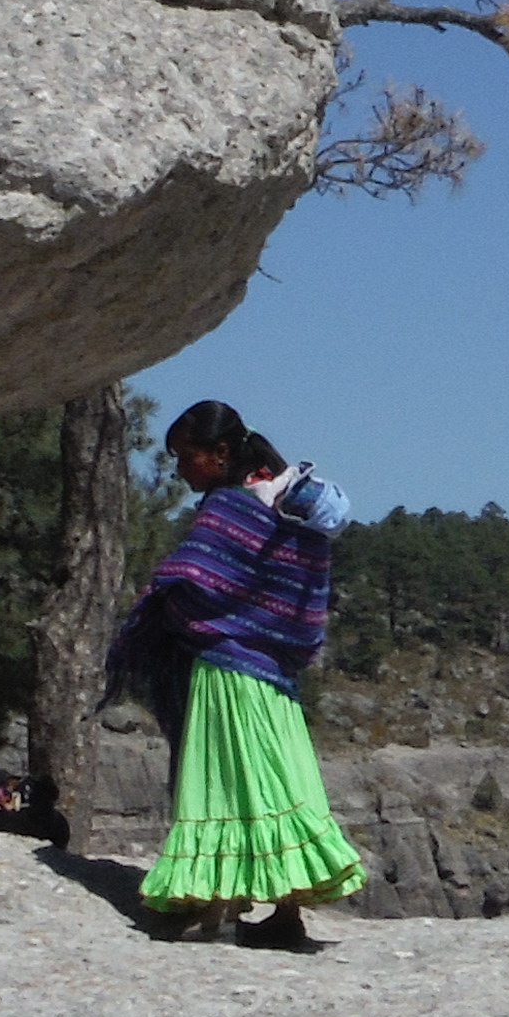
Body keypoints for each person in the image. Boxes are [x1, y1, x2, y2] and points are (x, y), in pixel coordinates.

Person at [105, 399, 366, 951]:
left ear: (219, 453)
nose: (179, 470)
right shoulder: (282, 506)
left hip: (225, 672)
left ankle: (215, 911)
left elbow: (199, 581)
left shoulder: (227, 509)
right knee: (278, 784)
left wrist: (163, 614)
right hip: (275, 676)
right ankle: (286, 915)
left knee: (222, 787)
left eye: (185, 457)